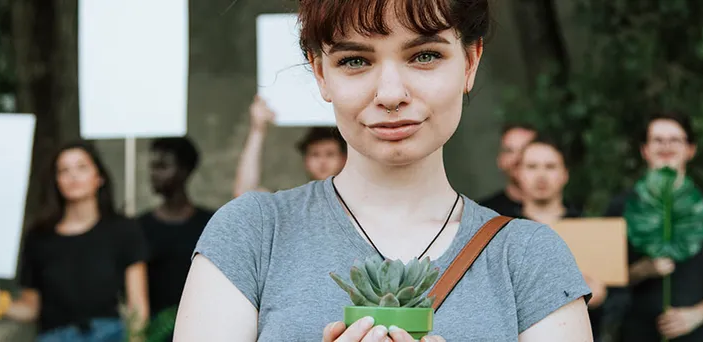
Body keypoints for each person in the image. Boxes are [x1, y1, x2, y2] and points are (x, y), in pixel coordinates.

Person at [174, 0, 593, 340]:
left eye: (424, 55)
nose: (391, 94)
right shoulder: (252, 234)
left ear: (469, 62)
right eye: (355, 61)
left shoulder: (529, 258)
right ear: (320, 73)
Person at [0, 141, 150, 341]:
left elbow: (137, 305)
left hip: (109, 335)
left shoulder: (123, 230)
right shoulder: (39, 237)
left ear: (99, 177)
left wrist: (137, 338)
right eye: (64, 170)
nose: (73, 176)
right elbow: (32, 308)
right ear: (56, 180)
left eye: (81, 167)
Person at [604, 112, 703, 342]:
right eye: (657, 140)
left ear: (690, 150)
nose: (666, 146)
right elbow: (604, 279)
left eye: (675, 140)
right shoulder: (622, 206)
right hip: (635, 334)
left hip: (693, 334)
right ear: (644, 150)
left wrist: (695, 316)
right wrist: (641, 270)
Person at [514, 138, 610, 340]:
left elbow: (621, 300)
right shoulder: (502, 230)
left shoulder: (591, 232)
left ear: (565, 174)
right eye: (532, 167)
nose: (541, 176)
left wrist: (601, 297)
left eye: (550, 167)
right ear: (518, 173)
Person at [137, 137, 214, 319]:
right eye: (152, 166)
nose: (153, 173)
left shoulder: (210, 224)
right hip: (154, 332)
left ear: (184, 171)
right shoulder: (139, 227)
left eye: (162, 167)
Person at [233, 95, 347, 197]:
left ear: (343, 158)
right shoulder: (292, 201)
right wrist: (257, 130)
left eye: (330, 154)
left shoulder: (357, 199)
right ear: (306, 160)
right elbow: (244, 193)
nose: (322, 161)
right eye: (315, 154)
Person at [480, 123, 538, 217]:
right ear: (500, 160)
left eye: (525, 150)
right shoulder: (484, 215)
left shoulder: (568, 215)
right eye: (509, 151)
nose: (517, 158)